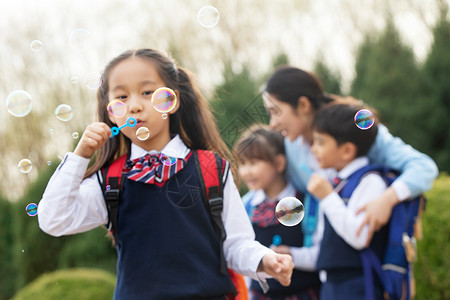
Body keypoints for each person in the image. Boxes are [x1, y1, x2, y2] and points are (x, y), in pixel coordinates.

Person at [37, 48, 294, 299]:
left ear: (173, 101)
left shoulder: (210, 167)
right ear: (110, 113)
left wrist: (265, 260)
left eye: (147, 92)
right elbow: (53, 219)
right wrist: (80, 156)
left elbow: (235, 244)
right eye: (122, 98)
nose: (135, 106)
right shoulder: (110, 179)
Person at [262, 66, 438, 247]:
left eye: (276, 112)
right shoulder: (291, 146)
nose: (272, 124)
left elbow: (424, 168)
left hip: (364, 258)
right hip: (320, 258)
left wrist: (387, 199)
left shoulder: (356, 129)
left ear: (303, 105)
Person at [306, 103, 387, 299]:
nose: (313, 148)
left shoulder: (370, 181)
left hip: (357, 286)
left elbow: (359, 236)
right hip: (332, 286)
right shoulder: (336, 182)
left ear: (346, 151)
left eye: (320, 142)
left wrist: (327, 197)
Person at [234, 124, 321, 300]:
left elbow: (323, 254)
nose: (246, 171)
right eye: (242, 163)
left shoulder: (309, 203)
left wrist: (292, 255)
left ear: (279, 163)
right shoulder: (246, 206)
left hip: (305, 294)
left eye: (253, 162)